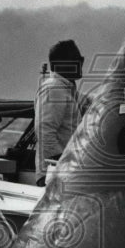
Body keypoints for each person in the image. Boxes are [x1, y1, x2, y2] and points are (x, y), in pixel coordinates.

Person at [35, 39, 85, 185]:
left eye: (81, 59)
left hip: (61, 173)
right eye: (77, 59)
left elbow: (90, 101)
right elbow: (44, 131)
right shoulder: (54, 89)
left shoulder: (65, 89)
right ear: (61, 64)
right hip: (55, 175)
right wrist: (62, 166)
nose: (81, 63)